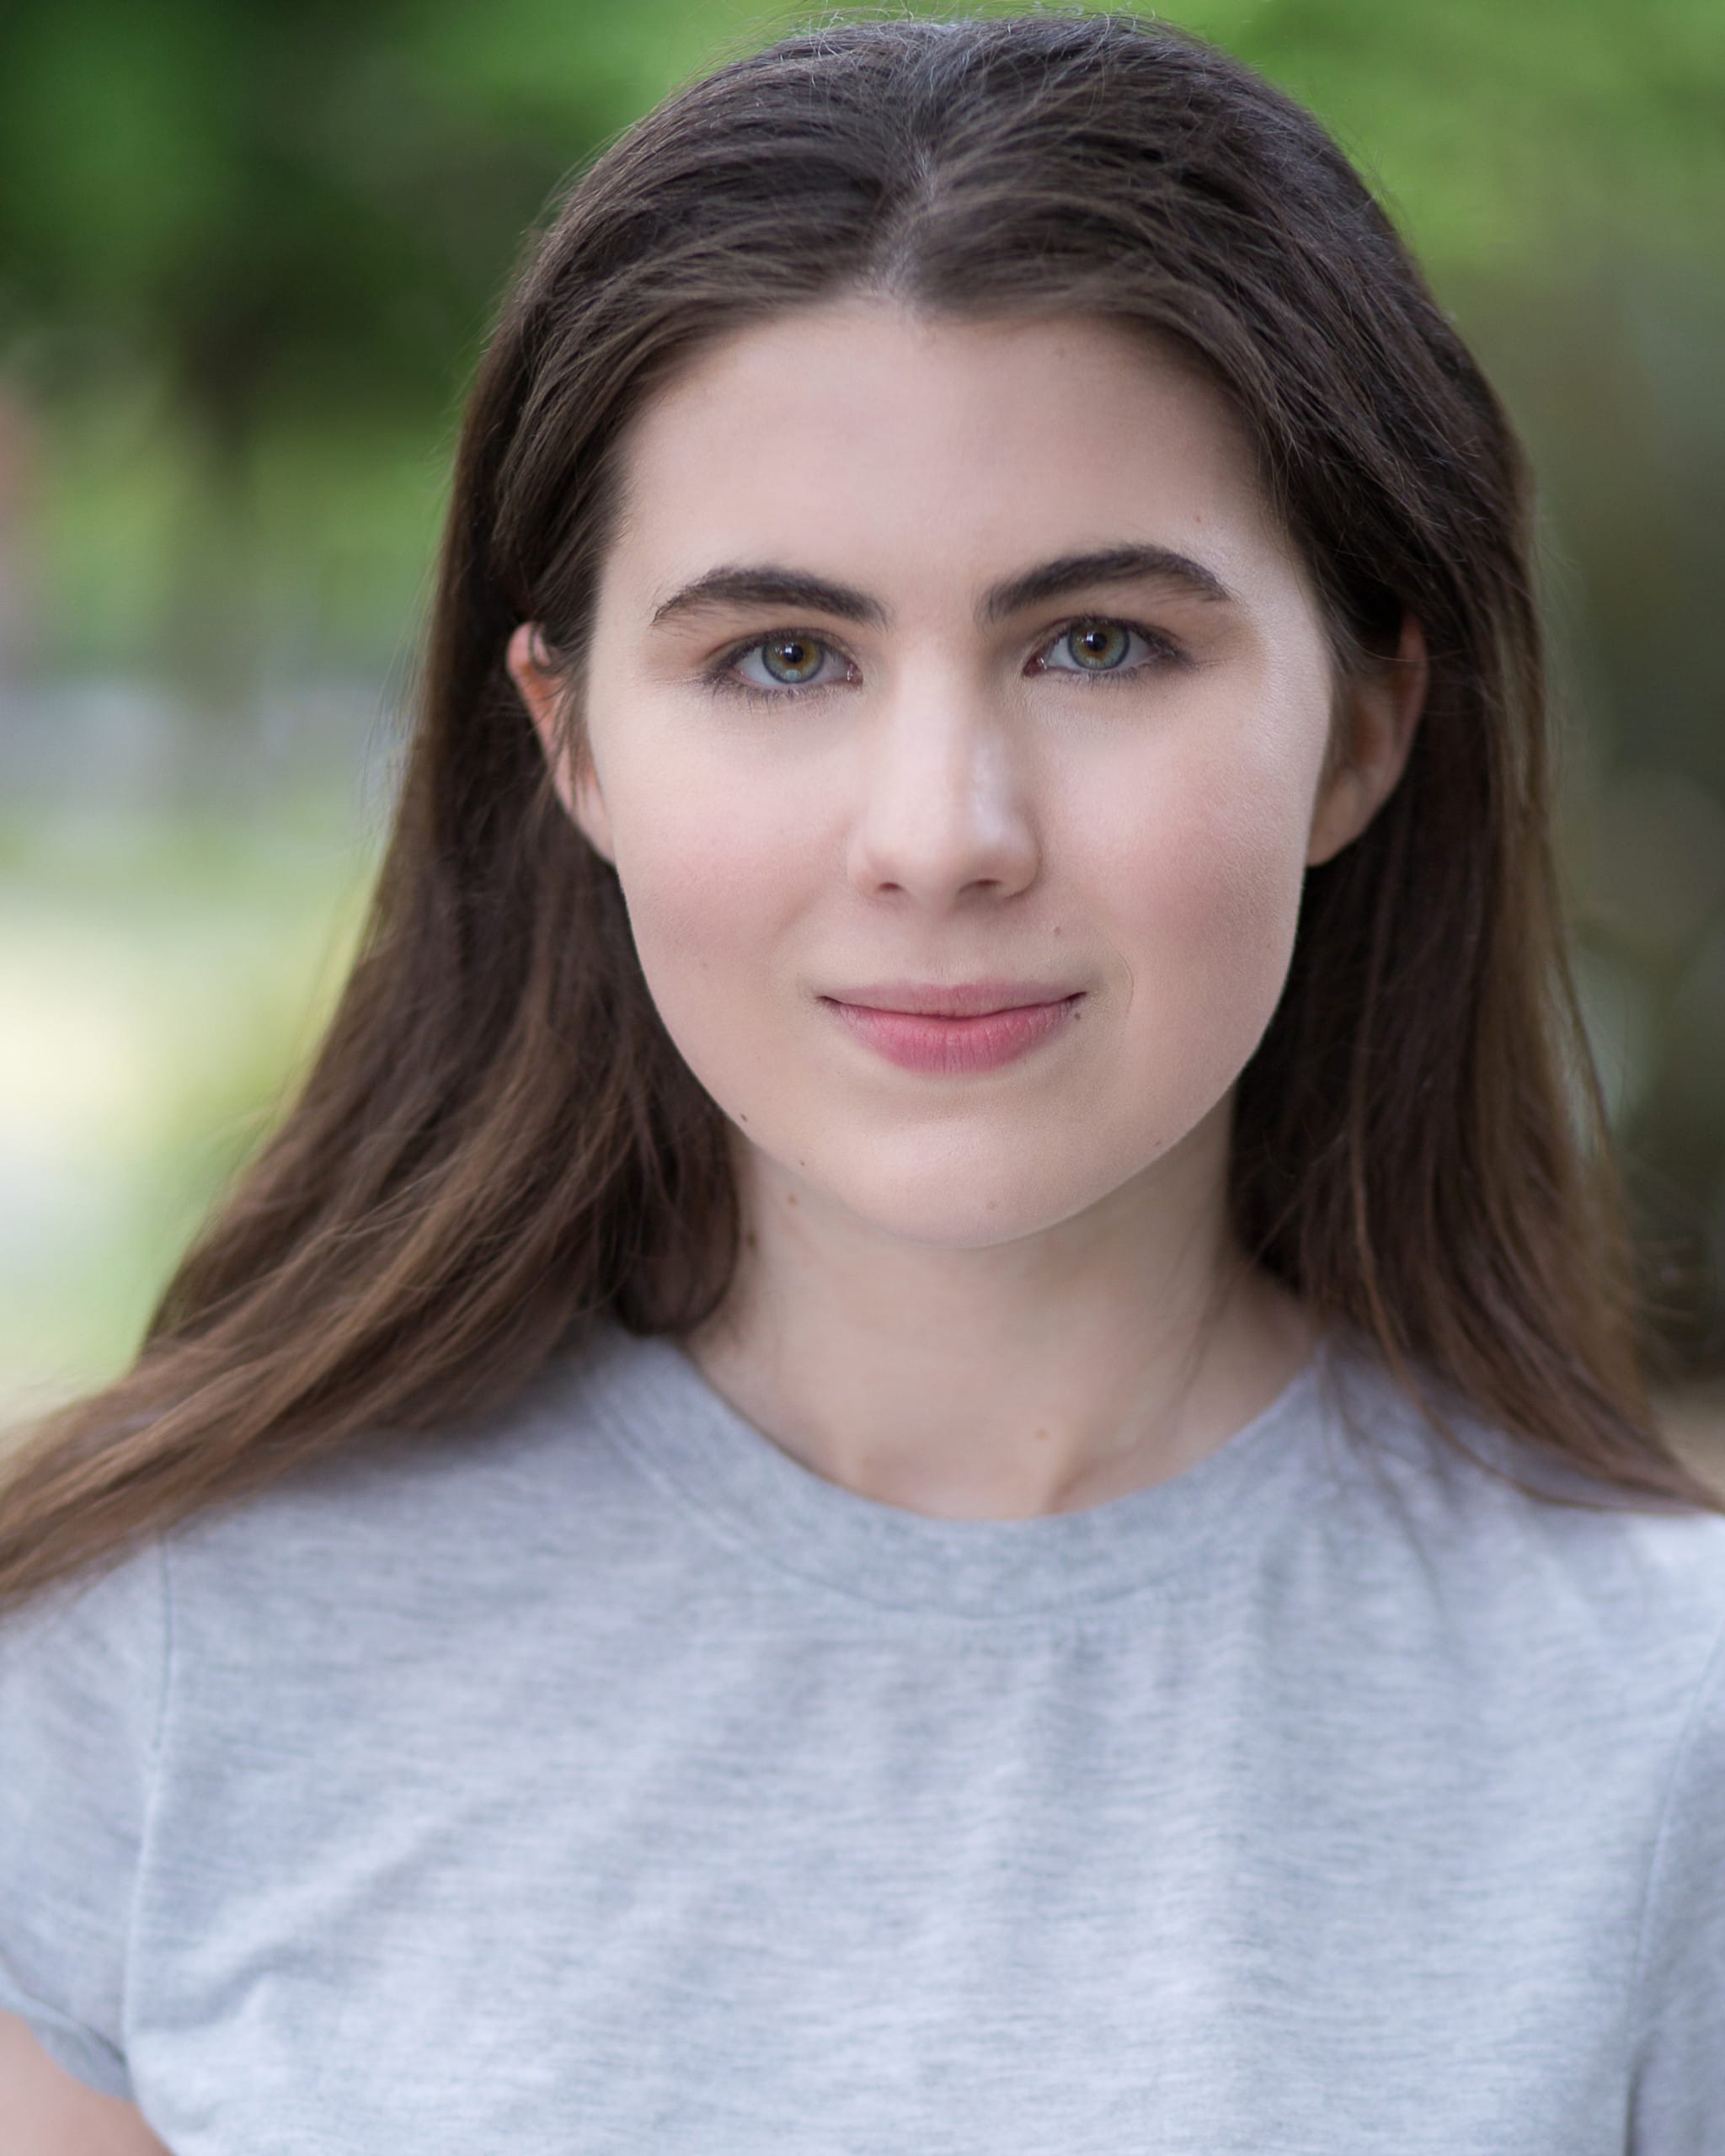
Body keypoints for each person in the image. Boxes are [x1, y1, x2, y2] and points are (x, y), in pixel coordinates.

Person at [2, 12, 1722, 2151]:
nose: (940, 829)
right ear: (571, 738)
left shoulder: (1667, 1732)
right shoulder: (150, 1654)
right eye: (781, 657)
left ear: (1363, 729)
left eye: (1097, 640)